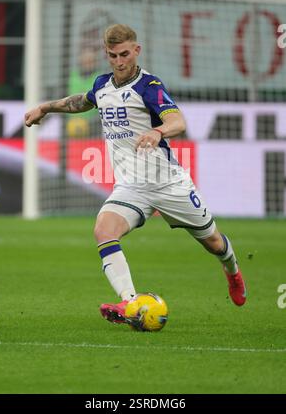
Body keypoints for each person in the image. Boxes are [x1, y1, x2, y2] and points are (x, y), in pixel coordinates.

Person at [25, 24, 247, 327]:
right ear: (107, 54)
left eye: (125, 54)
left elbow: (177, 121)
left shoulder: (150, 86)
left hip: (168, 182)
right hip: (131, 186)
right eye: (113, 55)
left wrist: (157, 131)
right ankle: (130, 304)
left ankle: (232, 271)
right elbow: (83, 101)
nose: (120, 61)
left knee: (213, 243)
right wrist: (46, 108)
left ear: (137, 50)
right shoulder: (102, 84)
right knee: (103, 230)